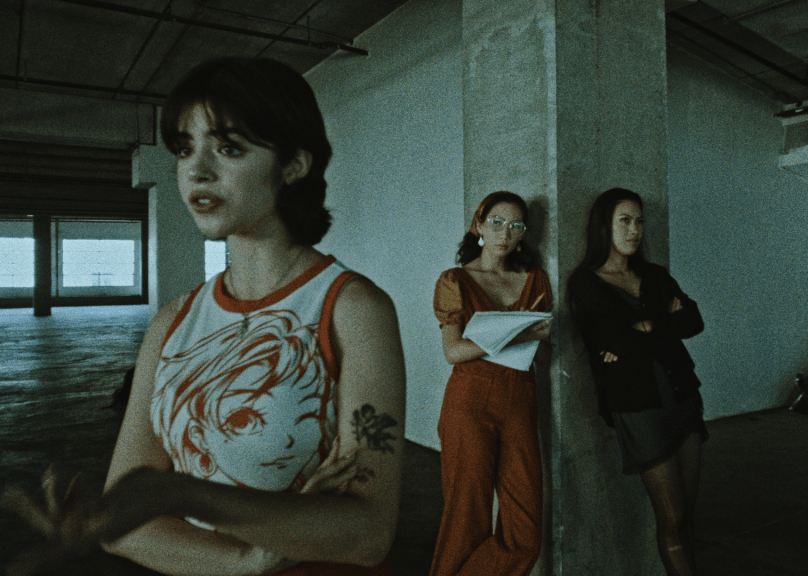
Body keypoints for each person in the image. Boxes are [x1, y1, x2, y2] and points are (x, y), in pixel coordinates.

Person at [1, 57, 405, 576]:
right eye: (185, 149)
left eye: (228, 148)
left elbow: (367, 534)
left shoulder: (352, 309)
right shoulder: (172, 321)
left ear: (294, 164)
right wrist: (246, 560)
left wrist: (180, 494)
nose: (197, 170)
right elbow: (126, 527)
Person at [567, 188, 707, 576]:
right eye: (625, 221)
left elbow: (694, 320)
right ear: (603, 226)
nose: (635, 230)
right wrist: (663, 323)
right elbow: (615, 340)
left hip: (682, 397)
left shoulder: (655, 275)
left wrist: (644, 328)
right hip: (639, 407)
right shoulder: (586, 282)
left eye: (639, 221)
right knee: (672, 517)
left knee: (687, 514)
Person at [430, 191, 551, 576]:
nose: (505, 233)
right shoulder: (455, 280)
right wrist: (518, 334)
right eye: (497, 222)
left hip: (520, 402)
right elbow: (453, 351)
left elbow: (543, 353)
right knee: (466, 520)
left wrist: (541, 337)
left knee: (526, 533)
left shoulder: (535, 280)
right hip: (469, 403)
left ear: (523, 234)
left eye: (516, 226)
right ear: (479, 226)